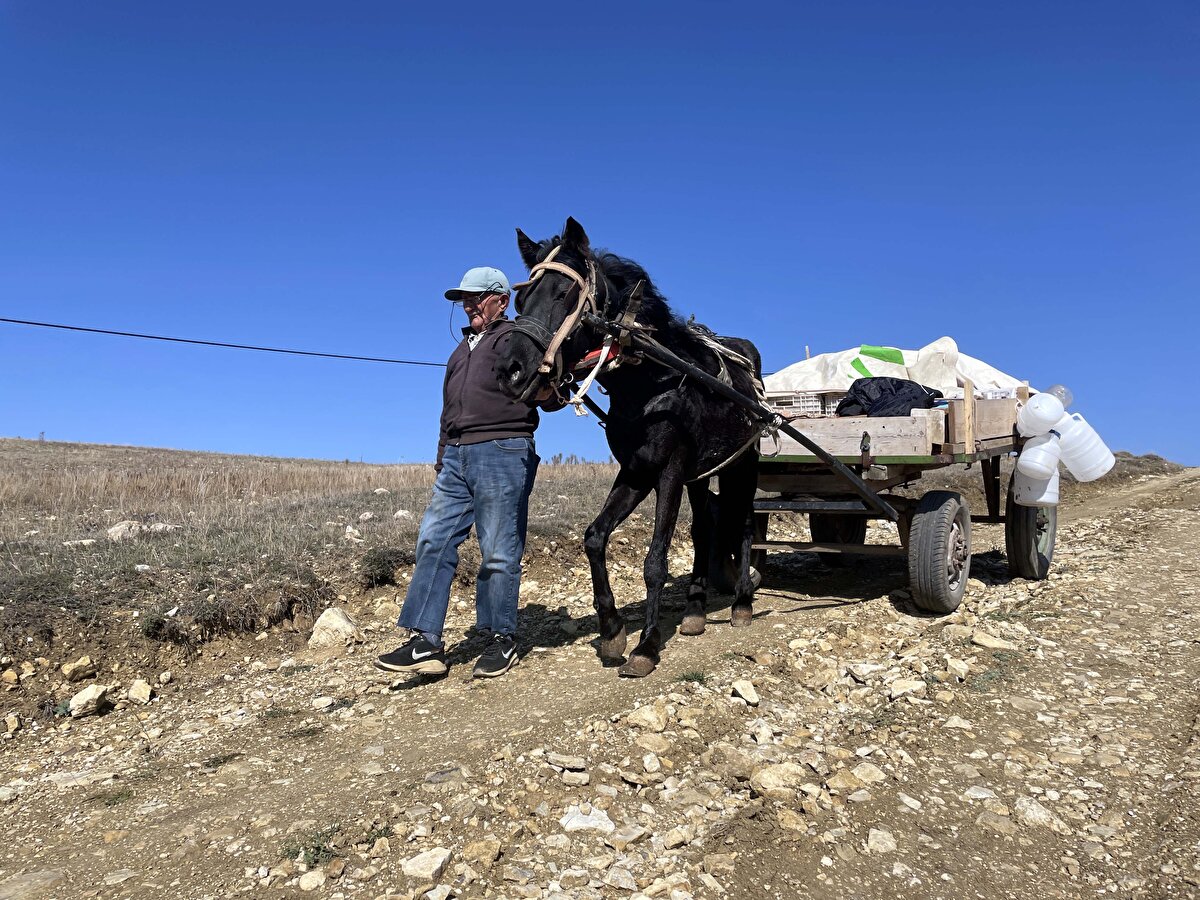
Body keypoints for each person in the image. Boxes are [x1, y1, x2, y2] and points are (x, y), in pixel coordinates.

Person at [374, 265, 553, 679]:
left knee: (498, 549)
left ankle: (500, 638)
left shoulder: (515, 338)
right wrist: (442, 459)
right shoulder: (458, 353)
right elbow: (446, 413)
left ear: (501, 300)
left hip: (503, 449)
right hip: (456, 457)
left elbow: (549, 393)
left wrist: (548, 384)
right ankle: (426, 642)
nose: (468, 304)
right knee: (433, 541)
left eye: (476, 297)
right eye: (463, 299)